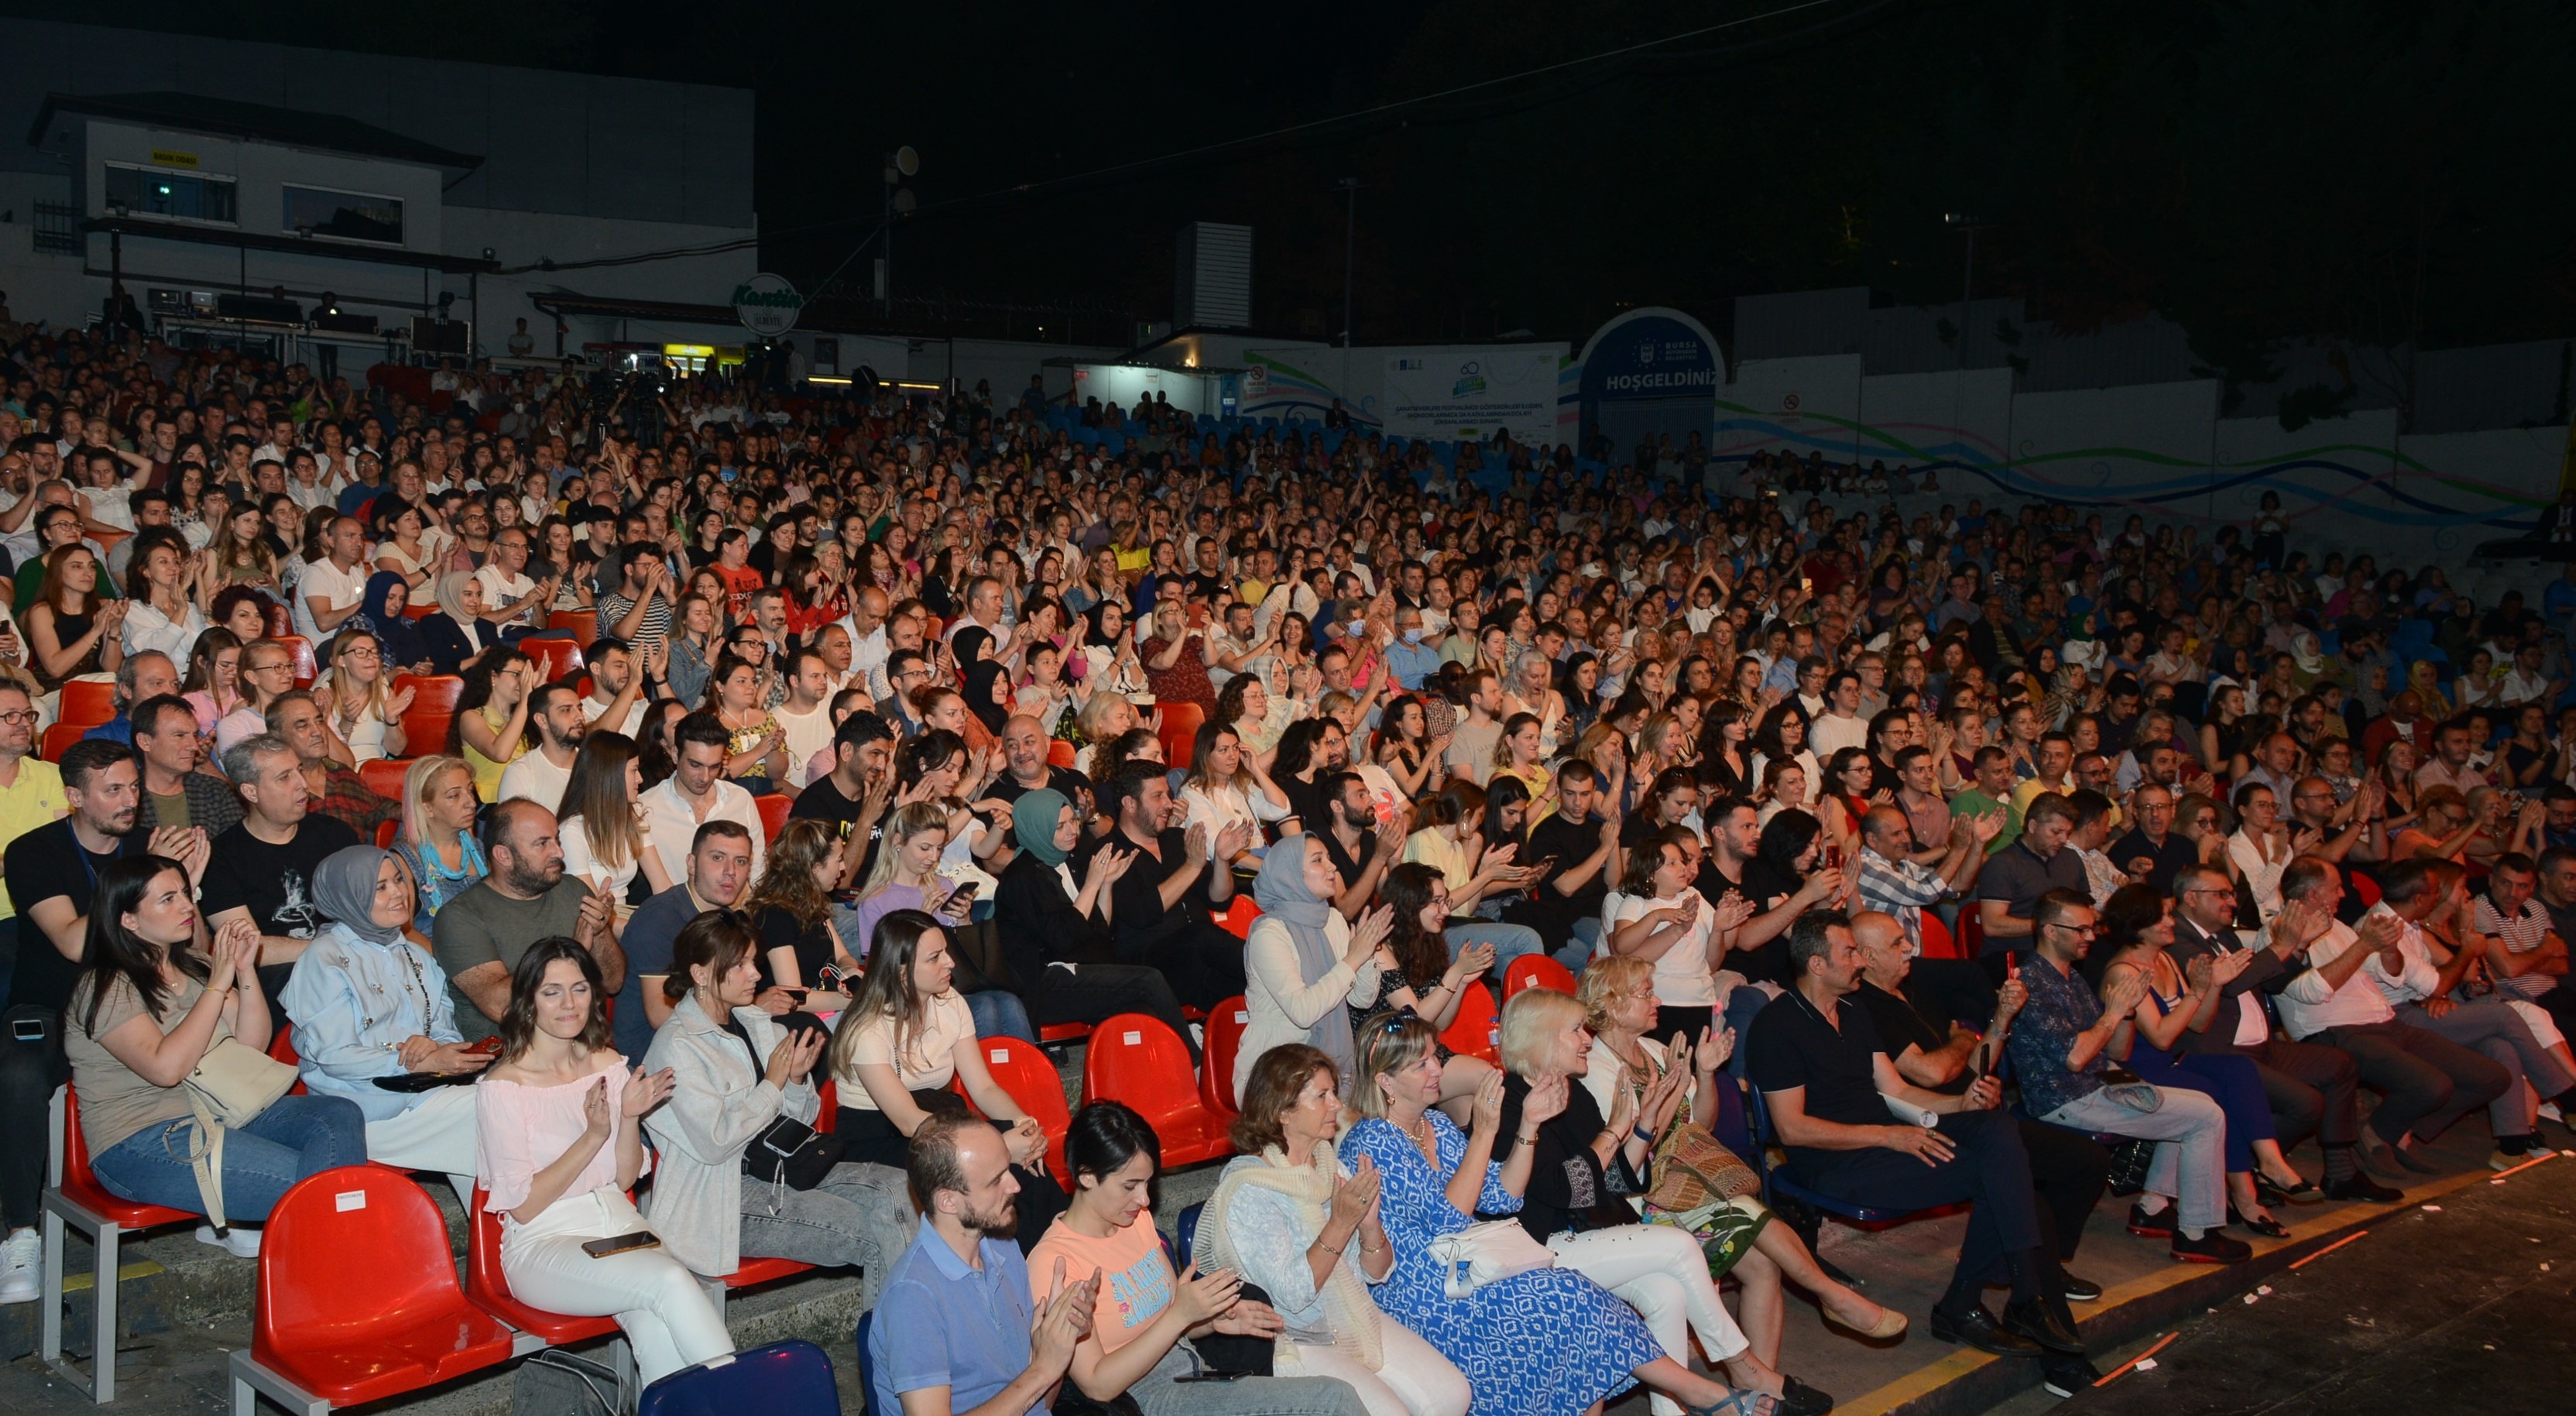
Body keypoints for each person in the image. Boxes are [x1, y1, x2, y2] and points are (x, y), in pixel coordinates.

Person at [1339, 1010, 1773, 1416]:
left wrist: (1528, 1126)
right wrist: (1485, 1133)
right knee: (1570, 1302)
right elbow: (1447, 1220)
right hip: (1422, 1288)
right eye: (1422, 1065)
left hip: (1466, 1266)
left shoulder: (1434, 1125)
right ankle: (1704, 1394)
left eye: (1436, 1057)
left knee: (1578, 1306)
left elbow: (1503, 1195)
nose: (1438, 1070)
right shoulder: (1373, 1140)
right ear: (1386, 1081)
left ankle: (1704, 1395)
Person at [1747, 910, 2084, 1362]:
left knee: (1997, 1127)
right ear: (1817, 964)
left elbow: (1899, 1091)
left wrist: (1960, 1104)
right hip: (1836, 1162)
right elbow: (1793, 1128)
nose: (1860, 962)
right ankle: (1972, 1303)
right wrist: (1889, 1137)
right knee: (1997, 1174)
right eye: (1849, 953)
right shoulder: (1777, 1026)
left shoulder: (1853, 1010)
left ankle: (2021, 1296)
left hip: (1887, 1139)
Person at [1492, 986, 1831, 1416]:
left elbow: (1616, 1180)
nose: (1587, 1040)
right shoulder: (1510, 1103)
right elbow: (1566, 1189)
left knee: (1667, 1293)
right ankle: (1744, 1367)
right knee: (1679, 1245)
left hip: (1584, 1237)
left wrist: (1644, 1122)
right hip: (1538, 1250)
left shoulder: (1573, 1093)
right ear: (1542, 1037)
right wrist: (1614, 1130)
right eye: (1576, 1030)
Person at [65, 855, 366, 1257]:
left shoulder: (194, 966)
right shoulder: (105, 986)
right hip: (141, 1139)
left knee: (337, 1115)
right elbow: (166, 1069)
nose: (187, 906)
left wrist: (243, 970)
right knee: (317, 1189)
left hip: (222, 1112)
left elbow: (251, 1044)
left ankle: (327, 1249)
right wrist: (217, 985)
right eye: (168, 899)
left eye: (185, 894)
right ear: (129, 920)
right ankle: (339, 1258)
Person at [472, 938, 730, 1386]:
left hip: (618, 1223)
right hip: (545, 1242)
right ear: (529, 1001)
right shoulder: (504, 1087)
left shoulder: (607, 1063)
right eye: (552, 992)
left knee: (655, 1322)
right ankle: (743, 1393)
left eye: (579, 989)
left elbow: (625, 1177)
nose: (569, 1004)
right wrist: (593, 1136)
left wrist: (628, 1117)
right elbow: (525, 1207)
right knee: (670, 1281)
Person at [1, 732, 201, 1296]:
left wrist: (188, 886)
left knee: (229, 1017)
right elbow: (71, 941)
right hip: (55, 1001)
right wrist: (139, 884)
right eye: (112, 790)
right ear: (75, 798)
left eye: (134, 787)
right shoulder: (34, 851)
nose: (129, 800)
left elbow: (190, 942)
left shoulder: (146, 844)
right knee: (18, 1075)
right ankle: (20, 1231)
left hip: (146, 997)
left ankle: (221, 1190)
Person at [1023, 1099, 1371, 1416]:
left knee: (1334, 1396)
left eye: (1147, 1183)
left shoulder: (1135, 1221)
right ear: (1086, 1177)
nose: (1144, 1200)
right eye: (1130, 1186)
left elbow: (1170, 1317)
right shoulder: (1055, 1262)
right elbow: (1097, 1385)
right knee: (1333, 1399)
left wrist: (1209, 1320)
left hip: (1190, 1372)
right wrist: (1181, 1316)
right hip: (1144, 1399)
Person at [640, 910, 915, 1301]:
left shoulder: (755, 1023)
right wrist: (773, 1083)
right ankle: (901, 1335)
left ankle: (907, 1328)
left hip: (781, 1169)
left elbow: (796, 1123)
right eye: (740, 965)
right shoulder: (677, 1046)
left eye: (754, 961)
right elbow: (716, 1144)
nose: (756, 974)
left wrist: (797, 1082)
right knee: (871, 1230)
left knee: (898, 1188)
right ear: (700, 974)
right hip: (721, 1198)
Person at [1197, 1043, 1473, 1416]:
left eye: (1334, 1093)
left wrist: (1370, 1227)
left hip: (1352, 1317)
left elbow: (1376, 1274)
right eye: (1322, 1096)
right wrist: (1341, 1224)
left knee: (1453, 1394)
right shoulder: (1251, 1190)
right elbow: (1292, 1296)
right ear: (1282, 1111)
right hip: (1293, 1339)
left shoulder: (1329, 1166)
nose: (1338, 1105)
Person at [2088, 886, 2316, 1239]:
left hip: (2173, 1062)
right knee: (2215, 1097)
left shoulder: (2164, 959)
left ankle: (2270, 1163)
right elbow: (2161, 1037)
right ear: (2138, 924)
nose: (2171, 922)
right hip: (2137, 1071)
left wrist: (2213, 986)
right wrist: (2198, 991)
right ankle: (2245, 1194)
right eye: (2163, 916)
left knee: (2240, 1070)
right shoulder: (2124, 971)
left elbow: (2197, 1023)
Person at [825, 909, 1068, 1229]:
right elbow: (908, 1122)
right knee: (988, 1166)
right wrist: (996, 1148)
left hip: (935, 1118)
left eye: (946, 952)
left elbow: (984, 1088)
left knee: (1024, 1160)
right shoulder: (867, 1029)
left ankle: (1063, 1240)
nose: (950, 963)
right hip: (879, 1138)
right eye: (935, 958)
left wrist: (1023, 1125)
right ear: (901, 972)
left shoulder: (950, 1001)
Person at [2274, 857, 2513, 1172]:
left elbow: (2391, 974)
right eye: (2336, 888)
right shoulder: (2280, 932)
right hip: (2337, 1031)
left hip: (2385, 1023)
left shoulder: (2339, 927)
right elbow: (2311, 992)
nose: (2343, 894)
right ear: (2312, 894)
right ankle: (2382, 1131)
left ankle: (2389, 1128)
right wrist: (2365, 946)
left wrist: (2388, 950)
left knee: (2492, 1077)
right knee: (2433, 1085)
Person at [280, 845, 486, 1199]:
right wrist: (411, 1060)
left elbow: (443, 1028)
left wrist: (436, 1048)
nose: (399, 893)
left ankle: (509, 1228)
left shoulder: (414, 954)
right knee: (493, 1110)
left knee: (508, 1101)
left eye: (399, 881)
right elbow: (335, 1056)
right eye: (380, 887)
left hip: (427, 1093)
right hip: (362, 1112)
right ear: (349, 897)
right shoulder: (324, 959)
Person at [864, 1111, 1099, 1416]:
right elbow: (1037, 1377)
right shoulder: (913, 1297)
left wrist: (1059, 1338)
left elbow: (1036, 1403)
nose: (1014, 1186)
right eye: (995, 1181)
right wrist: (1043, 1369)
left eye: (1008, 1169)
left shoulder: (1004, 1249)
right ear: (948, 1201)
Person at [990, 787, 1199, 1051]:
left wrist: (1106, 884)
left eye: (1073, 821)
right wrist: (1092, 885)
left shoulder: (1069, 860)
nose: (1072, 831)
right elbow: (1062, 939)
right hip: (1045, 984)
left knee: (1142, 1010)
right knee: (1149, 980)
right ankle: (1192, 1060)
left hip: (1081, 970)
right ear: (1037, 829)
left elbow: (1101, 930)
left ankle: (1157, 1070)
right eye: (1059, 827)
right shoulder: (1022, 878)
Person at [433, 800, 622, 1042]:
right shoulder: (460, 917)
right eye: (542, 843)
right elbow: (500, 1007)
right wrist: (574, 950)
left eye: (556, 840)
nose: (559, 852)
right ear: (504, 855)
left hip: (580, 1045)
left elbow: (613, 983)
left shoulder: (574, 891)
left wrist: (599, 930)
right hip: (511, 1053)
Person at [201, 732, 362, 1003]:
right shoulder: (220, 858)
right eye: (284, 778)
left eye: (299, 771)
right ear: (250, 792)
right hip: (280, 980)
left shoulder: (336, 834)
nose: (303, 784)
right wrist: (334, 952)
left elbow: (371, 908)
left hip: (352, 963)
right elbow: (248, 947)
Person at [1236, 837, 1393, 1104]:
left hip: (1333, 1072)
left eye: (1329, 858)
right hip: (1277, 1077)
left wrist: (1365, 956)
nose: (1332, 867)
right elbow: (1303, 1011)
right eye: (1318, 860)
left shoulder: (1333, 920)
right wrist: (1353, 959)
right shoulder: (1269, 934)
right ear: (1290, 874)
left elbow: (1363, 999)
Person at [1084, 761, 1250, 1009]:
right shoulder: (1109, 852)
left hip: (1199, 962)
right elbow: (1141, 913)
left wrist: (1222, 860)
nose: (1169, 804)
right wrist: (1191, 867)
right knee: (1202, 936)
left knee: (1255, 995)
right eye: (1157, 796)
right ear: (1130, 804)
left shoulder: (1176, 840)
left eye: (1168, 795)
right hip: (1152, 965)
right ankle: (1275, 973)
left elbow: (1219, 900)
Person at [615, 820, 760, 1063]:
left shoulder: (729, 918)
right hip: (654, 1056)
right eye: (717, 858)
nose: (731, 871)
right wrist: (753, 1010)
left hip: (711, 1039)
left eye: (741, 861)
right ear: (691, 864)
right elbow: (661, 1015)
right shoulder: (659, 917)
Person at [643, 709, 767, 886]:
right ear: (675, 754)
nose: (705, 777)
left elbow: (757, 874)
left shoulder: (740, 800)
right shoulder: (646, 808)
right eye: (696, 765)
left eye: (714, 767)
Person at [389, 756, 489, 934]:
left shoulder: (478, 848)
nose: (472, 803)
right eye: (454, 796)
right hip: (433, 949)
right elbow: (406, 932)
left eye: (470, 791)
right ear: (427, 808)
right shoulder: (403, 860)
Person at [451, 650, 533, 803]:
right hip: (491, 805)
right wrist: (525, 701)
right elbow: (500, 754)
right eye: (516, 674)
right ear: (493, 677)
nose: (523, 682)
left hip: (524, 800)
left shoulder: (524, 718)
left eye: (526, 676)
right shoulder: (471, 717)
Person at [497, 681, 586, 808]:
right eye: (566, 710)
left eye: (580, 708)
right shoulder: (522, 773)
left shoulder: (596, 762)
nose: (580, 717)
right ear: (542, 721)